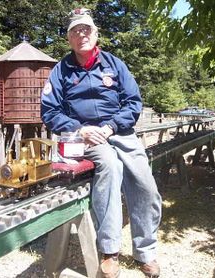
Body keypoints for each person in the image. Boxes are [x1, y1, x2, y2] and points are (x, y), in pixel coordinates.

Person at [41, 8, 162, 278]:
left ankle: (146, 252)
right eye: (75, 31)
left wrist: (110, 127)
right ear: (69, 39)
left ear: (96, 34)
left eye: (86, 29)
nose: (81, 34)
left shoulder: (114, 64)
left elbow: (133, 103)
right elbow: (49, 112)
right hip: (84, 136)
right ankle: (110, 251)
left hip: (118, 130)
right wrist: (80, 129)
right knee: (109, 166)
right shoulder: (61, 70)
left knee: (145, 185)